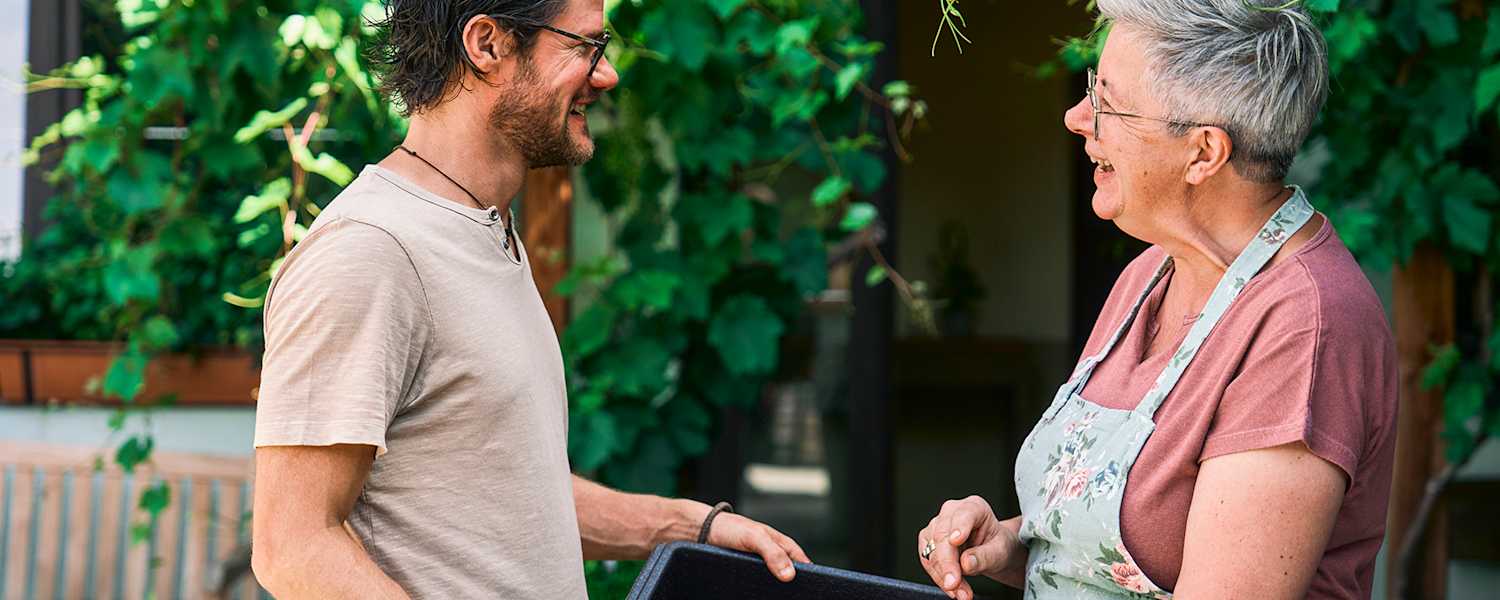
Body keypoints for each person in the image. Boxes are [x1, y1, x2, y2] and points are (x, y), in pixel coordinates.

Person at [248, 1, 808, 597]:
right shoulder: (371, 251)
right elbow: (295, 546)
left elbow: (507, 487)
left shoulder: (480, 228)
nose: (606, 73)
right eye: (583, 46)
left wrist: (685, 526)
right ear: (487, 44)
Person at [917, 1, 1397, 598]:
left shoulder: (1306, 326)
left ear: (1203, 153)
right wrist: (1014, 542)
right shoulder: (1151, 273)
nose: (1075, 118)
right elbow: (1138, 553)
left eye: (1107, 103)